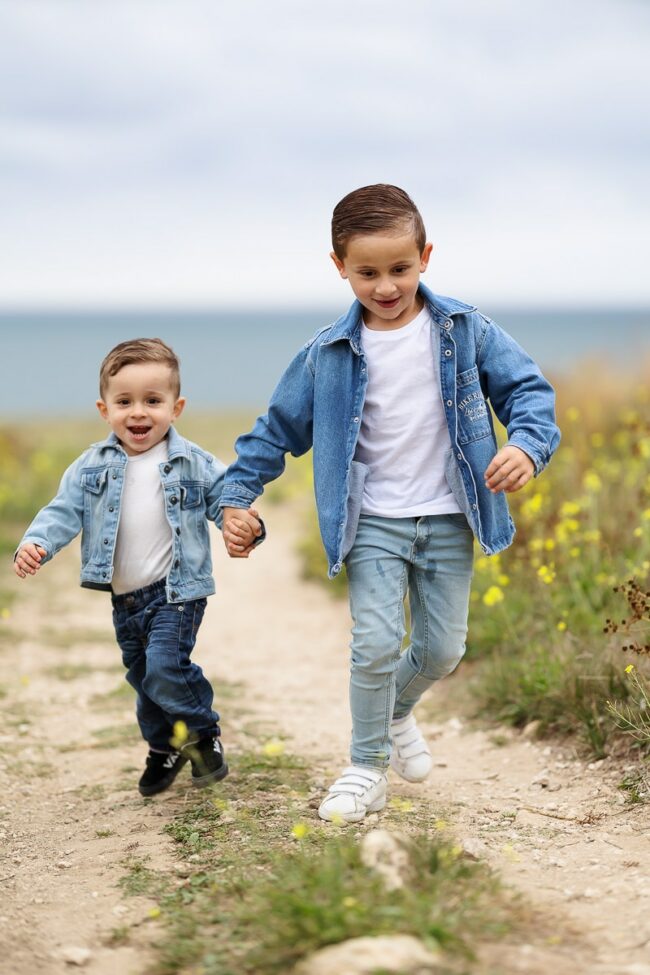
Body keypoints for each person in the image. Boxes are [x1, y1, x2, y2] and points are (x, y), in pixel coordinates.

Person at [221, 183, 561, 823]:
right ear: (339, 266)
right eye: (367, 272)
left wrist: (529, 445)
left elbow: (527, 392)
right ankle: (364, 766)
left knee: (442, 651)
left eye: (399, 269)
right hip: (373, 517)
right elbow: (277, 430)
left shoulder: (465, 329)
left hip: (451, 514)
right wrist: (238, 495)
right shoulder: (326, 353)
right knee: (374, 644)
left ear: (425, 256)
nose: (385, 286)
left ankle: (396, 711)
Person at [14, 338, 262, 796]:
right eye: (124, 402)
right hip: (124, 598)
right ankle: (163, 747)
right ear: (104, 409)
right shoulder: (90, 466)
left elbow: (227, 499)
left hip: (177, 591)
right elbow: (62, 511)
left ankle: (204, 735)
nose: (138, 413)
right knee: (145, 682)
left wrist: (244, 525)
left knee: (167, 667)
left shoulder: (191, 461)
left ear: (176, 406)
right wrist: (36, 542)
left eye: (153, 401)